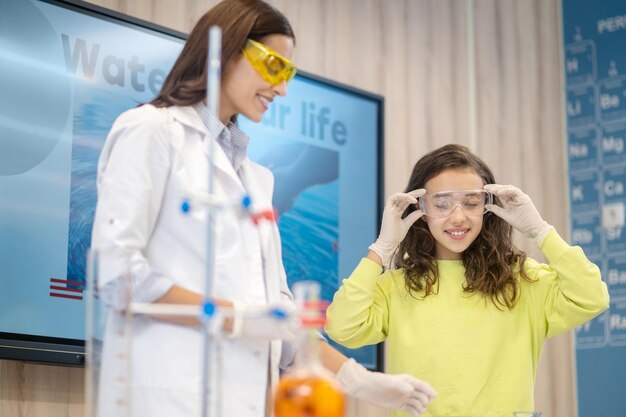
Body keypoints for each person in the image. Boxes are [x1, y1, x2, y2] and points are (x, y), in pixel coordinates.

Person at [90, 1, 436, 416]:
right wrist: (237, 318)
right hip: (167, 398)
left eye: (288, 73)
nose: (283, 89)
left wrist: (361, 380)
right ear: (229, 49)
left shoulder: (256, 179)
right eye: (274, 67)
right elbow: (118, 275)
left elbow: (281, 318)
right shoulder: (150, 130)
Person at [324, 144, 610, 417]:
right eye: (442, 204)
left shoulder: (523, 280)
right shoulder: (397, 286)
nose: (458, 217)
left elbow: (591, 297)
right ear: (420, 210)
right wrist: (382, 248)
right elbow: (342, 326)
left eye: (471, 203)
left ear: (487, 207)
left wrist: (540, 231)